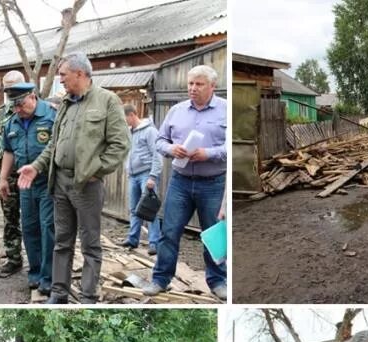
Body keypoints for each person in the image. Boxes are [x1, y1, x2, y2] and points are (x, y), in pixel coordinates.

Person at [17, 52, 130, 304]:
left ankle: (88, 295)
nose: (61, 81)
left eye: (63, 76)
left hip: (86, 186)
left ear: (80, 74)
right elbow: (54, 145)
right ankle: (59, 292)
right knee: (61, 242)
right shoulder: (66, 103)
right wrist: (35, 167)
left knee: (90, 244)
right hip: (60, 183)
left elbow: (120, 145)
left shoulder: (107, 101)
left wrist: (95, 170)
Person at [143, 65, 227, 301]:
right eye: (190, 84)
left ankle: (218, 281)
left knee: (214, 233)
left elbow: (232, 147)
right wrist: (171, 148)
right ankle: (160, 279)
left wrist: (208, 154)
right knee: (169, 231)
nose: (193, 88)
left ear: (212, 86)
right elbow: (160, 140)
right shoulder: (177, 111)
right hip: (180, 181)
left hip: (213, 182)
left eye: (199, 84)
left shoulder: (225, 111)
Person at [0, 83, 56, 296]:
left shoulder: (51, 116)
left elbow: (57, 147)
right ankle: (34, 274)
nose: (18, 110)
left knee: (48, 229)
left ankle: (48, 277)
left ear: (33, 97)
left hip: (48, 183)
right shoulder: (11, 122)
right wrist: (3, 179)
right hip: (24, 185)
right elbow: (8, 151)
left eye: (21, 105)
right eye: (14, 107)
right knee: (30, 228)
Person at [0, 70, 26, 279]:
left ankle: (39, 261)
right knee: (10, 219)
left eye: (13, 86)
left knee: (34, 219)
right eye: (6, 87)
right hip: (5, 174)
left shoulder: (36, 108)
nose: (9, 91)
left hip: (32, 173)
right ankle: (13, 259)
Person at [121, 103, 162, 255]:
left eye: (125, 118)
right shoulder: (129, 132)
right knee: (133, 209)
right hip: (133, 175)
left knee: (149, 208)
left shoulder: (150, 131)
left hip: (146, 174)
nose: (124, 121)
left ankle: (154, 243)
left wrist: (153, 176)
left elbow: (157, 155)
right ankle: (133, 239)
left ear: (132, 115)